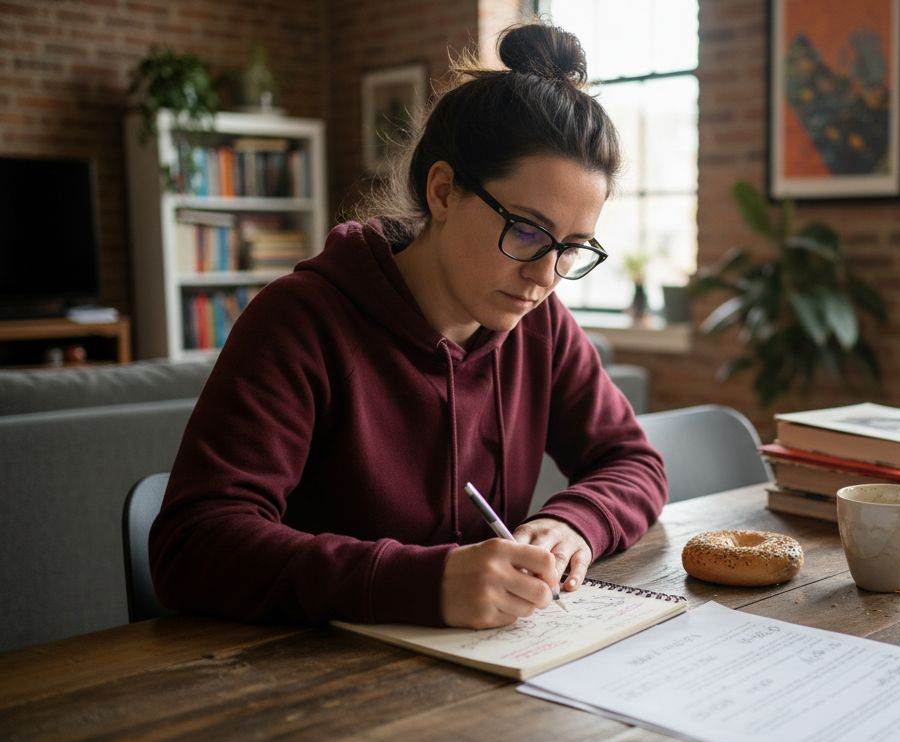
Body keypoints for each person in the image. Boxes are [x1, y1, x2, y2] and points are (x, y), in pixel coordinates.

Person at [150, 23, 667, 630]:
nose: (546, 275)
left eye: (571, 248)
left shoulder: (541, 324)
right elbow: (194, 546)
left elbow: (634, 461)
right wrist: (426, 581)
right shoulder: (300, 322)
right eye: (526, 230)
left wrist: (577, 520)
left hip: (492, 672)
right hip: (315, 685)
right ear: (443, 192)